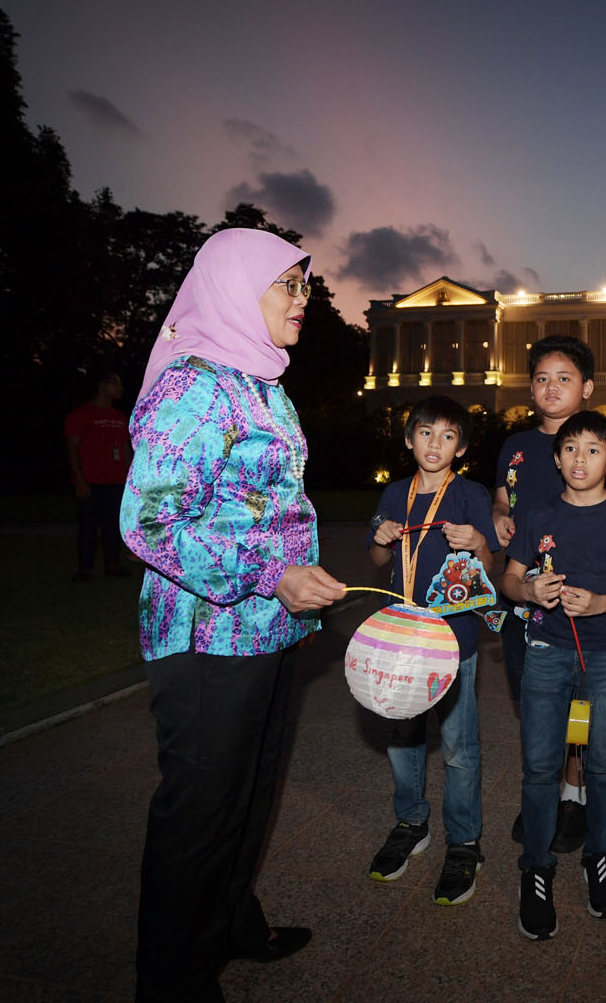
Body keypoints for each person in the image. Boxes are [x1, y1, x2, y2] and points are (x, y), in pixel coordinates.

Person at [121, 228, 347, 1002]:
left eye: (305, 288)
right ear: (233, 284)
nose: (302, 302)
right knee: (199, 817)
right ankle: (173, 981)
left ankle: (229, 926)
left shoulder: (261, 380)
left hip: (265, 630)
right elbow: (148, 521)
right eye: (288, 285)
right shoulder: (194, 385)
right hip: (206, 638)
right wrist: (271, 569)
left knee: (249, 797)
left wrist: (293, 574)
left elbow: (267, 506)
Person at [492, 335, 606, 852]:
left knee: (587, 706)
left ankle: (575, 792)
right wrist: (499, 524)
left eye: (564, 378)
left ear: (586, 388)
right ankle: (547, 787)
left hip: (589, 610)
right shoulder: (515, 446)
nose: (551, 387)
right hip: (530, 601)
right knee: (537, 699)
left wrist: (601, 592)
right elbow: (504, 503)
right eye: (541, 378)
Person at [502, 411, 606, 940]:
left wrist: (601, 604)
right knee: (541, 766)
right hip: (544, 652)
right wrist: (529, 591)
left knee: (602, 763)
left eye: (592, 450)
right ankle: (536, 867)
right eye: (569, 449)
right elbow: (511, 579)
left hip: (605, 655)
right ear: (557, 457)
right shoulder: (539, 515)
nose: (579, 459)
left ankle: (600, 855)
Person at [365, 395, 499, 905]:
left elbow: (488, 561)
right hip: (401, 636)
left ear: (460, 447)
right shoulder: (395, 493)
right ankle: (411, 822)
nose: (435, 444)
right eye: (425, 433)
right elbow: (379, 559)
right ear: (408, 439)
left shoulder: (468, 494)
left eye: (447, 436)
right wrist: (380, 536)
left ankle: (464, 840)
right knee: (402, 737)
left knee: (460, 745)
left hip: (453, 637)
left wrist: (476, 542)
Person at [64, 368, 131, 582]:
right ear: (104, 385)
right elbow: (72, 448)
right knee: (88, 526)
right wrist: (79, 479)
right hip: (91, 482)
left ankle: (113, 564)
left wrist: (130, 478)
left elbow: (125, 448)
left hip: (116, 481)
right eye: (117, 384)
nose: (121, 389)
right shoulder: (81, 414)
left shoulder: (120, 417)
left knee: (112, 525)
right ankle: (85, 569)